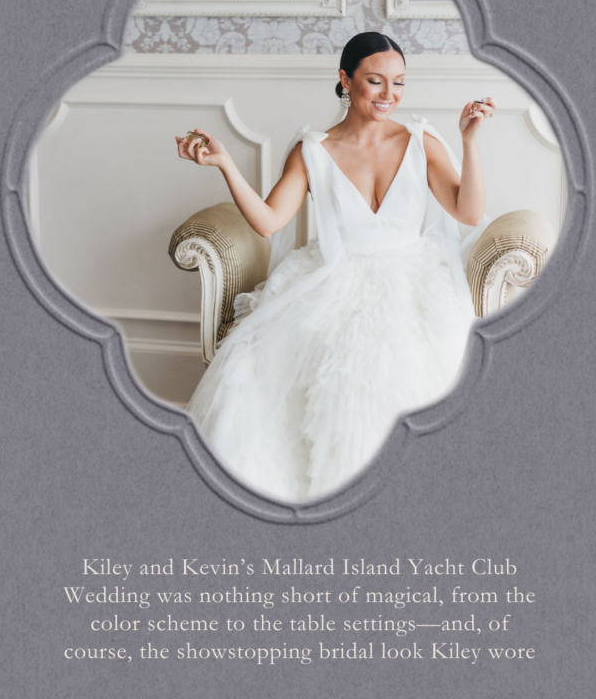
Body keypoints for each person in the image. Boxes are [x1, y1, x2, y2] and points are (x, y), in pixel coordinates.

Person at [175, 32, 495, 501]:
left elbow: (467, 213)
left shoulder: (420, 141)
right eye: (375, 81)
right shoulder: (313, 150)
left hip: (412, 278)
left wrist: (470, 141)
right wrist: (226, 164)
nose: (390, 95)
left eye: (400, 83)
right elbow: (268, 221)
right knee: (274, 366)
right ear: (345, 79)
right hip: (334, 276)